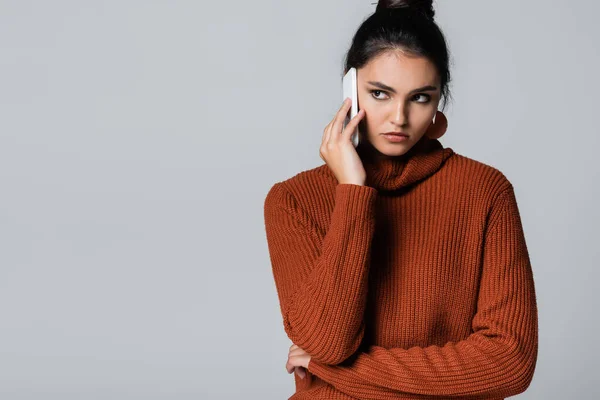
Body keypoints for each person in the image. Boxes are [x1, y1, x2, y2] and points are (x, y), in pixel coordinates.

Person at [263, 0, 538, 398]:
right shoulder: (293, 201)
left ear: (440, 97)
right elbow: (329, 341)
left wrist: (335, 370)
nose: (399, 118)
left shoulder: (485, 192)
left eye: (420, 98)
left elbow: (510, 363)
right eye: (379, 93)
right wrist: (353, 193)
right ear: (349, 89)